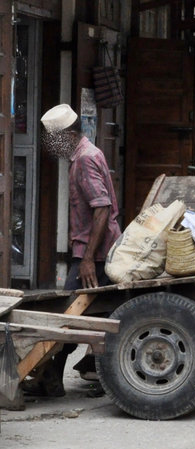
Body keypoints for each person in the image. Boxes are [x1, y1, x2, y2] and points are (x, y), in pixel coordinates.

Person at [26, 104, 123, 396]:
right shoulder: (85, 153)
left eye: (51, 139)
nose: (49, 146)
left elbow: (102, 209)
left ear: (66, 135)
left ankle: (52, 377)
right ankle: (52, 377)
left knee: (68, 317)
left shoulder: (84, 159)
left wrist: (89, 259)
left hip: (95, 252)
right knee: (74, 316)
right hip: (92, 249)